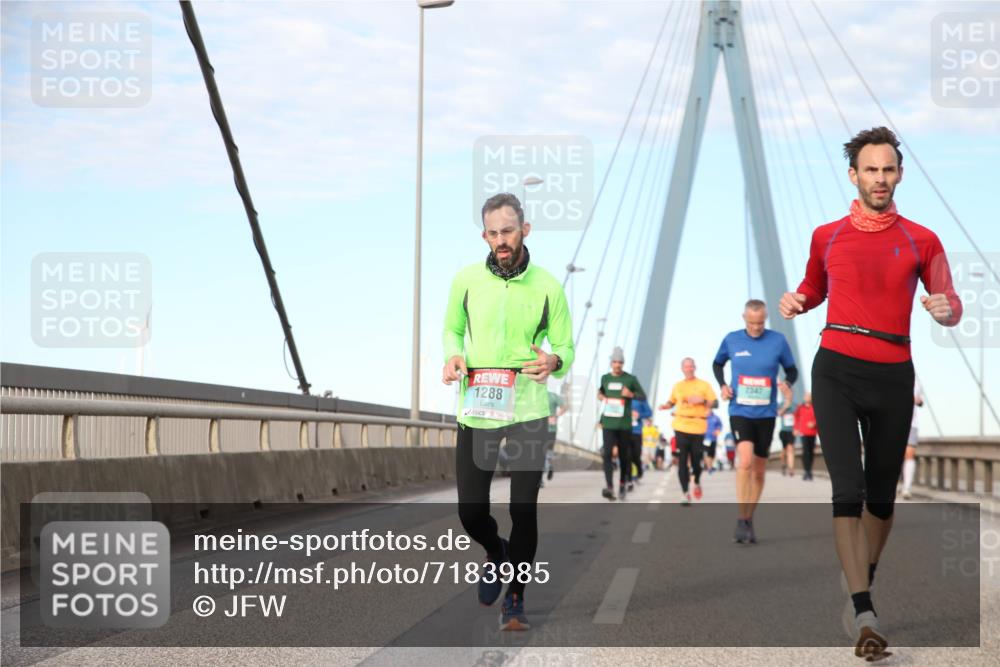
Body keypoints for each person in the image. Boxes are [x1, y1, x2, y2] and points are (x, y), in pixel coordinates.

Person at [779, 127, 962, 659]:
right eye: (870, 170)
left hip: (893, 372)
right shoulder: (827, 235)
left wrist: (947, 310)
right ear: (853, 175)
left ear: (899, 175)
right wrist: (798, 300)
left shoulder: (923, 240)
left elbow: (949, 299)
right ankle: (864, 613)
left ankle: (863, 579)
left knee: (882, 497)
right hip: (836, 368)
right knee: (848, 490)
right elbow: (815, 286)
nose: (879, 178)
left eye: (888, 169)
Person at [442, 192, 575, 631]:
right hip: (477, 407)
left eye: (508, 231)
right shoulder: (465, 280)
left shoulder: (548, 286)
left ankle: (515, 598)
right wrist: (453, 355)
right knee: (470, 512)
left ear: (525, 230)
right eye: (493, 233)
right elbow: (452, 330)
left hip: (528, 409)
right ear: (484, 235)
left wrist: (554, 361)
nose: (501, 240)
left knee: (523, 509)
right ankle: (495, 550)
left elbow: (565, 347)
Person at [713, 299, 799, 544]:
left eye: (760, 323)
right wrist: (723, 385)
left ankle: (749, 518)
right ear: (744, 318)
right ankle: (741, 517)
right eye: (752, 323)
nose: (756, 328)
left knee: (759, 471)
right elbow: (717, 363)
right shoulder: (732, 339)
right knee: (745, 461)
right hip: (740, 410)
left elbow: (792, 370)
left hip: (767, 414)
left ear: (765, 319)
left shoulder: (777, 341)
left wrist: (787, 383)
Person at [658, 358, 718, 505]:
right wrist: (665, 406)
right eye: (686, 366)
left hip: (698, 426)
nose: (689, 369)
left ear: (695, 368)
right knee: (683, 460)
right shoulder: (677, 386)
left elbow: (716, 403)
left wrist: (702, 401)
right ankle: (685, 493)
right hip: (681, 425)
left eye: (691, 366)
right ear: (682, 369)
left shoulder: (704, 385)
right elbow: (672, 401)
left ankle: (696, 481)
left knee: (697, 461)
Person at [598, 347, 646, 500]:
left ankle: (622, 483)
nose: (617, 365)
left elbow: (642, 396)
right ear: (611, 363)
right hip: (608, 423)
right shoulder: (605, 378)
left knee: (624, 456)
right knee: (607, 454)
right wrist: (600, 395)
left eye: (620, 362)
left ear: (623, 363)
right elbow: (602, 392)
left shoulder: (630, 379)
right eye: (615, 362)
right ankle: (609, 487)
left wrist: (631, 394)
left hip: (624, 424)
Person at [899, 378, 924, 499]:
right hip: (894, 423)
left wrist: (918, 401)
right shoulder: (891, 374)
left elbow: (920, 401)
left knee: (909, 454)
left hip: (912, 423)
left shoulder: (917, 381)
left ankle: (906, 488)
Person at [540, 390, 567, 488]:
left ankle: (541, 478)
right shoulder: (553, 396)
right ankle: (548, 467)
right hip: (551, 429)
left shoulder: (536, 396)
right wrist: (556, 416)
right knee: (547, 452)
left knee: (540, 454)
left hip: (540, 429)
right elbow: (564, 407)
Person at [630, 395, 653, 489]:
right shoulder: (620, 396)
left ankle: (639, 470)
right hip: (623, 430)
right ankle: (629, 477)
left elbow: (649, 413)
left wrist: (639, 415)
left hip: (636, 431)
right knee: (626, 455)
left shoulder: (640, 398)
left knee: (636, 455)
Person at [794, 392, 818, 481]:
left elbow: (819, 417)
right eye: (806, 396)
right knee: (805, 451)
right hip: (803, 432)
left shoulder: (815, 407)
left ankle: (809, 470)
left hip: (813, 433)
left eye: (809, 396)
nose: (807, 397)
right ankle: (806, 471)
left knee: (811, 452)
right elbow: (796, 417)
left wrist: (814, 423)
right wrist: (796, 428)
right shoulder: (800, 407)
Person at [777, 383, 797, 477]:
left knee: (791, 448)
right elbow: (778, 414)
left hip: (792, 431)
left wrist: (797, 429)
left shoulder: (795, 405)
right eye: (787, 393)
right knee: (784, 450)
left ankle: (791, 469)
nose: (789, 395)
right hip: (783, 431)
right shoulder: (781, 404)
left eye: (790, 393)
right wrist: (785, 406)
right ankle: (783, 464)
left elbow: (798, 417)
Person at [704, 409, 723, 473]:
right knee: (707, 453)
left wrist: (718, 431)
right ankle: (709, 467)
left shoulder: (716, 417)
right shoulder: (703, 417)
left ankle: (711, 466)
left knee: (712, 453)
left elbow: (720, 425)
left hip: (714, 438)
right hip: (706, 439)